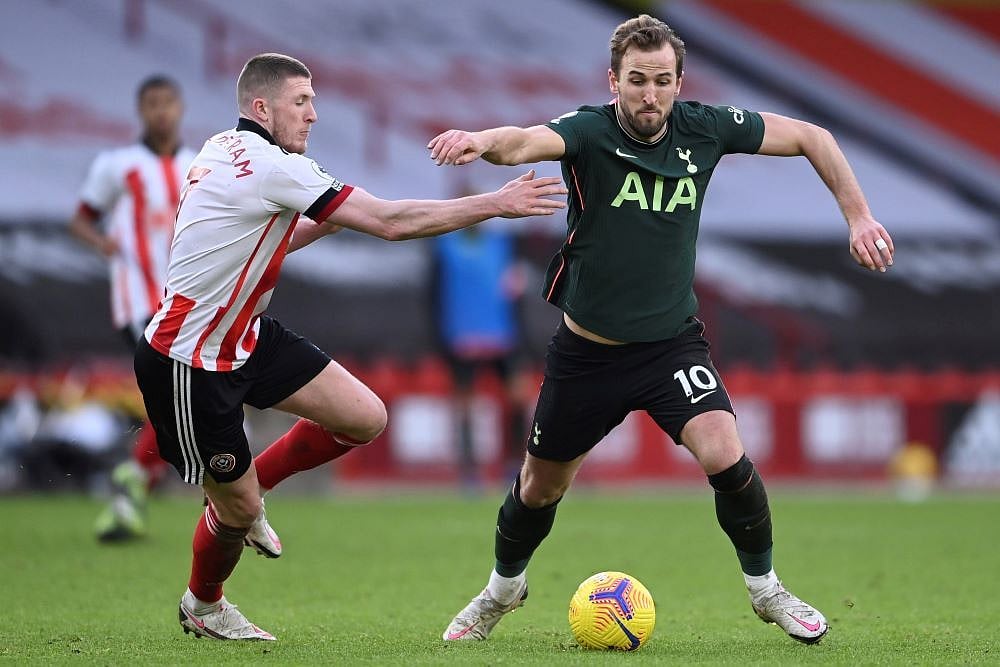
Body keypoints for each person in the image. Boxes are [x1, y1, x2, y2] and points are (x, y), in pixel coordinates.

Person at [429, 14, 894, 645]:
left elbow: (813, 137)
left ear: (679, 81)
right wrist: (480, 139)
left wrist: (859, 217)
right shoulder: (590, 131)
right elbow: (521, 141)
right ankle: (501, 590)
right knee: (539, 488)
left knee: (726, 453)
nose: (651, 95)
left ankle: (766, 589)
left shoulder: (705, 127)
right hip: (587, 354)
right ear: (613, 81)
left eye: (663, 81)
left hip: (670, 345)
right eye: (638, 80)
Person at [132, 52, 567, 641]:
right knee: (233, 512)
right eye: (301, 101)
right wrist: (495, 202)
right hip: (191, 357)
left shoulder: (222, 149)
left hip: (248, 336)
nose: (314, 114)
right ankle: (204, 604)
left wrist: (326, 220)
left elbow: (255, 242)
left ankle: (249, 490)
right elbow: (390, 222)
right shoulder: (272, 168)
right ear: (262, 108)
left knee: (364, 417)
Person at [69, 75, 195, 542]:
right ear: (141, 111)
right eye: (152, 104)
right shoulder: (118, 166)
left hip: (188, 300)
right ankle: (141, 483)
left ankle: (131, 490)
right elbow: (81, 219)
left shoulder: (197, 164)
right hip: (140, 299)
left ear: (179, 108)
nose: (161, 111)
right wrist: (106, 245)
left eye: (168, 102)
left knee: (178, 403)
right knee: (184, 397)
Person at [431, 215, 527, 489]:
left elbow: (513, 293)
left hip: (501, 336)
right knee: (465, 406)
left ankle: (515, 465)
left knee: (518, 399)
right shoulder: (445, 246)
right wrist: (440, 339)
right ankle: (469, 472)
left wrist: (522, 337)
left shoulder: (502, 245)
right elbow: (434, 295)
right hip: (461, 337)